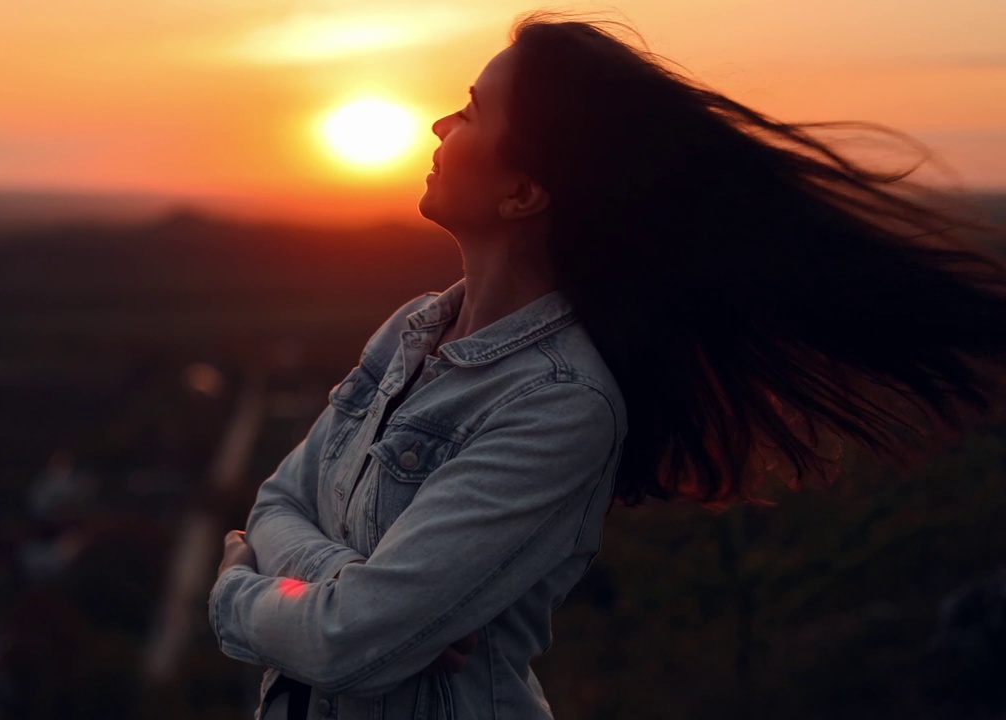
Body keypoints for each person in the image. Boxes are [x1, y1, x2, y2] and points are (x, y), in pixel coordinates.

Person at [209, 10, 1006, 719]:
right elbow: (281, 500)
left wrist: (240, 591)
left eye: (473, 112)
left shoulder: (562, 404)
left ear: (523, 192)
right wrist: (349, 587)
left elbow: (344, 639)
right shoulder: (411, 331)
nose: (439, 125)